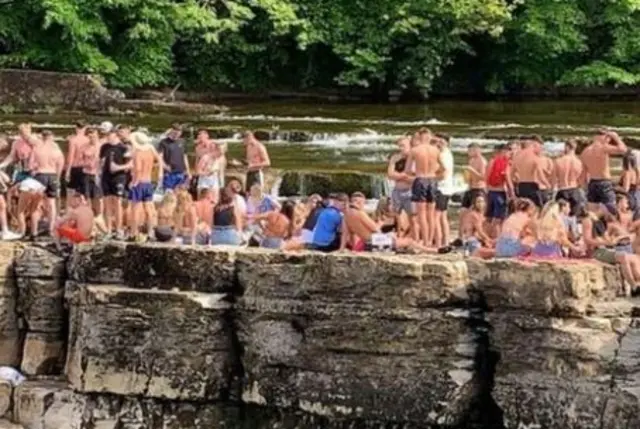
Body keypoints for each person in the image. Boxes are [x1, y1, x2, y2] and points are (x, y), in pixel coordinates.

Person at [119, 132, 163, 242]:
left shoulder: (138, 153)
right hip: (148, 182)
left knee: (135, 210)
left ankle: (133, 233)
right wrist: (160, 173)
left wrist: (134, 182)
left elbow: (138, 169)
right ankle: (150, 232)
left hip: (139, 183)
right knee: (149, 208)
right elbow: (160, 160)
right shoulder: (151, 149)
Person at [404, 128, 442, 246]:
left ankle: (425, 241)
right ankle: (430, 240)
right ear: (429, 137)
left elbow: (407, 170)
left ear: (419, 137)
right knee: (431, 213)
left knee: (421, 214)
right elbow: (443, 168)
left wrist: (415, 174)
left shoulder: (415, 150)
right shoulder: (435, 150)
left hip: (420, 179)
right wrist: (435, 173)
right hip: (432, 180)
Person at [580, 129, 627, 215]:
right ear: (603, 137)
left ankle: (594, 227)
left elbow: (583, 175)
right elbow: (623, 149)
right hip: (604, 182)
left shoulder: (585, 151)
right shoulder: (603, 147)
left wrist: (585, 188)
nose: (608, 140)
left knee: (592, 213)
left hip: (592, 182)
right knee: (611, 211)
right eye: (608, 137)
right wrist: (616, 137)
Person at [28, 129, 64, 236]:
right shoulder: (56, 149)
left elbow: (30, 165)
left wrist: (34, 171)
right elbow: (61, 164)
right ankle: (51, 229)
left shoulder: (37, 148)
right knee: (51, 204)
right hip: (52, 175)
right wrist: (57, 178)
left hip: (40, 175)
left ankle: (34, 231)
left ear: (42, 137)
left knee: (36, 204)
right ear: (52, 137)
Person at [100, 126, 128, 239]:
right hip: (106, 176)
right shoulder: (104, 147)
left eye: (109, 135)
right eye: (106, 135)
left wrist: (118, 167)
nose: (107, 137)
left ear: (115, 135)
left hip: (118, 177)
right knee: (107, 203)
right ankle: (108, 229)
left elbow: (130, 164)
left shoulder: (123, 148)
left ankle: (119, 229)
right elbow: (101, 161)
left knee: (117, 203)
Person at [387, 137, 417, 239]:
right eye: (399, 146)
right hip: (397, 191)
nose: (401, 148)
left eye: (403, 146)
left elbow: (415, 178)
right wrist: (403, 176)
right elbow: (390, 174)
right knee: (397, 216)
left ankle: (415, 238)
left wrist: (399, 176)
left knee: (413, 217)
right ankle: (400, 237)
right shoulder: (396, 158)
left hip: (410, 191)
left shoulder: (414, 158)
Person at [485, 144, 514, 237]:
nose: (510, 155)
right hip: (500, 193)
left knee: (489, 218)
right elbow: (508, 180)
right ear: (504, 152)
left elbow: (486, 177)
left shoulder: (491, 161)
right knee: (499, 219)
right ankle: (497, 240)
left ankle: (487, 238)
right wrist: (512, 194)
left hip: (490, 192)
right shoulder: (505, 164)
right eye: (510, 153)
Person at [554, 139, 585, 216]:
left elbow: (553, 179)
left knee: (561, 215)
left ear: (567, 147)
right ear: (575, 148)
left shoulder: (558, 161)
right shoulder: (579, 162)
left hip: (562, 189)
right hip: (574, 190)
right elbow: (581, 180)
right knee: (573, 217)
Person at [434, 134, 455, 247]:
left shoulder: (443, 155)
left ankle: (438, 243)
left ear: (447, 142)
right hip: (447, 188)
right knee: (442, 216)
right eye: (437, 141)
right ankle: (445, 242)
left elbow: (444, 173)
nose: (438, 144)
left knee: (436, 217)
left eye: (441, 142)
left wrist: (431, 178)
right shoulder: (447, 153)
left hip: (441, 188)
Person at [512, 139, 544, 207]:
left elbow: (511, 174)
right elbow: (540, 173)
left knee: (523, 208)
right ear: (531, 146)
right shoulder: (534, 156)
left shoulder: (517, 157)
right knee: (537, 207)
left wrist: (513, 184)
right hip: (532, 184)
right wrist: (547, 184)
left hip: (521, 185)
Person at [158, 123, 190, 191]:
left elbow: (185, 157)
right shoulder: (164, 142)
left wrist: (188, 170)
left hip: (181, 172)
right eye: (175, 132)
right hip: (169, 173)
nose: (177, 134)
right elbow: (160, 157)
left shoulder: (182, 142)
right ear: (171, 131)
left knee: (181, 194)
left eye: (179, 133)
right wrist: (165, 167)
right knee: (169, 194)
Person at [79, 128, 103, 216]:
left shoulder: (102, 146)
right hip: (86, 173)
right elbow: (79, 161)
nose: (92, 138)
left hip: (98, 174)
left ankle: (99, 216)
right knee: (87, 196)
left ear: (97, 135)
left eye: (93, 136)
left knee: (98, 197)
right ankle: (89, 215)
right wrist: (86, 163)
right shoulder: (84, 147)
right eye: (90, 136)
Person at [64, 121, 89, 204]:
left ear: (76, 128)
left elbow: (71, 156)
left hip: (75, 167)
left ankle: (70, 210)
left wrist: (67, 171)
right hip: (85, 167)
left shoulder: (73, 140)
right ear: (85, 128)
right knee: (83, 192)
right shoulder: (88, 140)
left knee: (71, 191)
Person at [619, 150, 640, 219]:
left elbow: (626, 189)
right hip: (636, 198)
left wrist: (614, 188)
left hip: (628, 200)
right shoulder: (637, 171)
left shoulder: (627, 172)